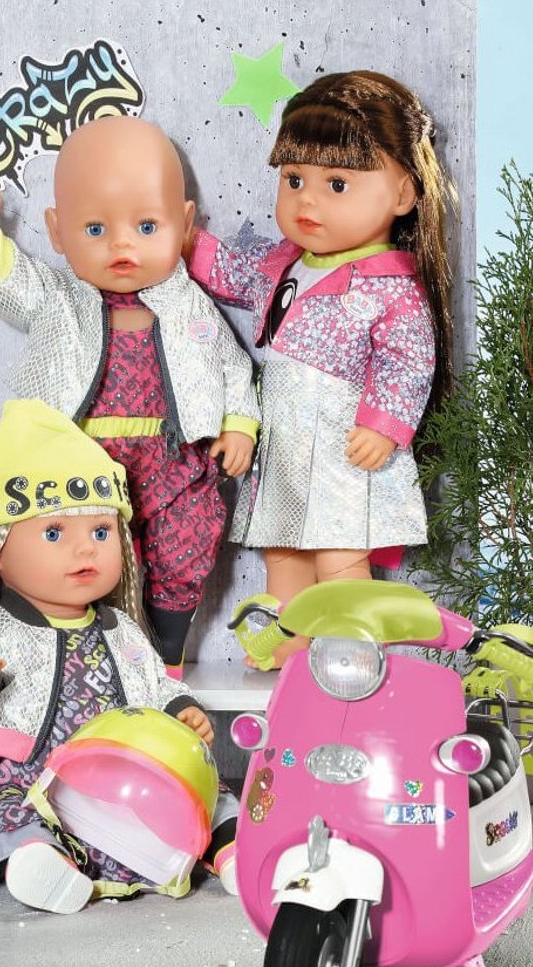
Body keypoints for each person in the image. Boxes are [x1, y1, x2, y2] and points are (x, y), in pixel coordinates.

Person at [0, 117, 260, 676]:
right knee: (87, 556)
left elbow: (232, 364)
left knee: (186, 543)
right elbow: (16, 287)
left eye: (146, 226)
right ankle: (93, 653)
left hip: (172, 460)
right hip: (84, 461)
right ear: (57, 231)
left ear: (184, 224)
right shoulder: (62, 298)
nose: (122, 244)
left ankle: (166, 654)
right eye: (95, 228)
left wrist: (240, 424)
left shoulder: (188, 304)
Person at [0, 399, 238, 911]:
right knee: (11, 814)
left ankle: (233, 852)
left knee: (211, 794)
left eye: (101, 532)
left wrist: (181, 710)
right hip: (33, 775)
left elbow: (155, 683)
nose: (86, 549)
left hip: (119, 773)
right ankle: (43, 863)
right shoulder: (2, 631)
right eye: (54, 533)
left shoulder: (121, 629)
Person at [189, 71, 456, 666]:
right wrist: (187, 244)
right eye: (294, 180)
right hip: (284, 442)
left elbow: (409, 357)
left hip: (341, 444)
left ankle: (350, 653)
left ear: (403, 195)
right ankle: (289, 645)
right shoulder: (284, 263)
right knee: (282, 548)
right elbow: (234, 276)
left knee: (339, 550)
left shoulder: (389, 285)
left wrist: (384, 423)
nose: (307, 200)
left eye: (337, 183)